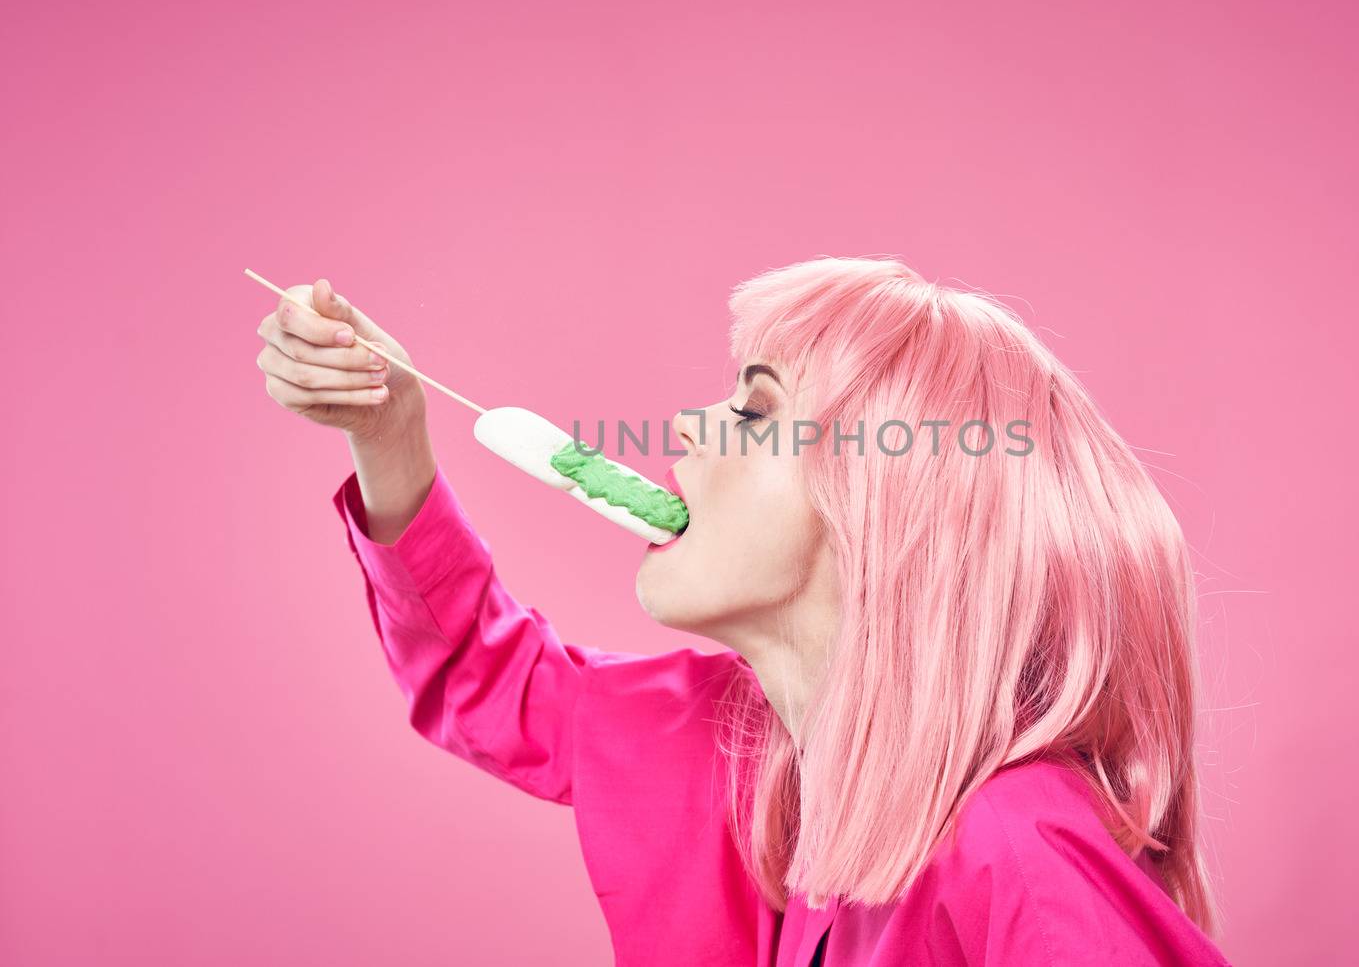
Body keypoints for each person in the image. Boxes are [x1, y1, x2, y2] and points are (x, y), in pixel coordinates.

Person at [255, 256, 1234, 966]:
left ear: (881, 506)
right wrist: (388, 434)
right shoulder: (747, 755)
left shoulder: (1016, 848)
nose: (684, 424)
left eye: (755, 408)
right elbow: (483, 676)